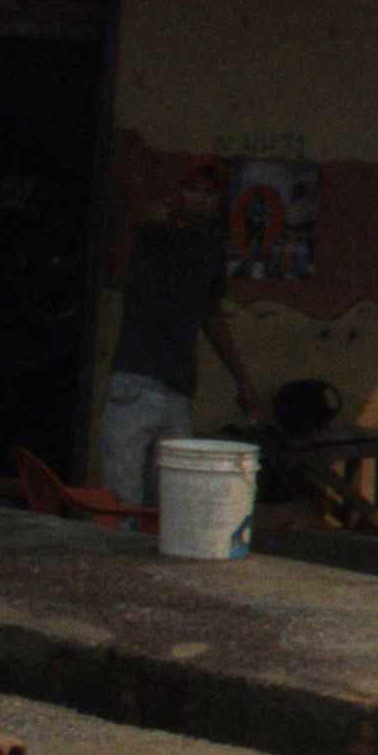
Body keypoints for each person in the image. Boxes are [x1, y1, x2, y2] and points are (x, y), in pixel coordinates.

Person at [99, 160, 265, 508]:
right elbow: (133, 218)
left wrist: (242, 381)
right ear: (178, 193)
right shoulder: (153, 235)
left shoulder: (209, 250)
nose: (201, 199)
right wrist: (160, 211)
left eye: (210, 193)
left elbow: (211, 316)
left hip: (178, 390)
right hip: (135, 384)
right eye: (193, 190)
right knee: (122, 501)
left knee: (171, 504)